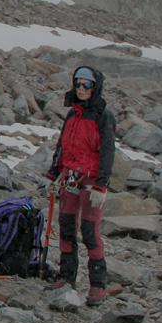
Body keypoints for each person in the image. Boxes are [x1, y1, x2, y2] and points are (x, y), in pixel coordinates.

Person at [45, 65, 116, 306]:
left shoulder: (104, 115)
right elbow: (62, 145)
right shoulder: (73, 113)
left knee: (89, 229)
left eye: (87, 85)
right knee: (66, 225)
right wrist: (54, 172)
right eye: (78, 84)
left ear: (96, 87)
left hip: (92, 179)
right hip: (70, 175)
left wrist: (102, 185)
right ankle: (67, 277)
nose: (81, 89)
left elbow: (108, 151)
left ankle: (98, 285)